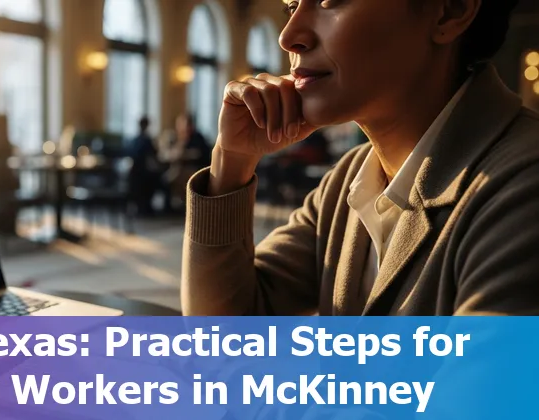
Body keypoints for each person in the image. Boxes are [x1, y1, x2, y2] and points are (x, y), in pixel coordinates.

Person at [182, 0, 539, 316]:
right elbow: (221, 333)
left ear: (450, 10)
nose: (288, 37)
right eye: (291, 6)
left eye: (330, 1)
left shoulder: (523, 185)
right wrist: (232, 160)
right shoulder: (349, 181)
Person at [128, 116, 164, 216]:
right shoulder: (147, 140)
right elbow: (154, 155)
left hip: (134, 173)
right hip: (144, 174)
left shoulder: (134, 140)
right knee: (159, 178)